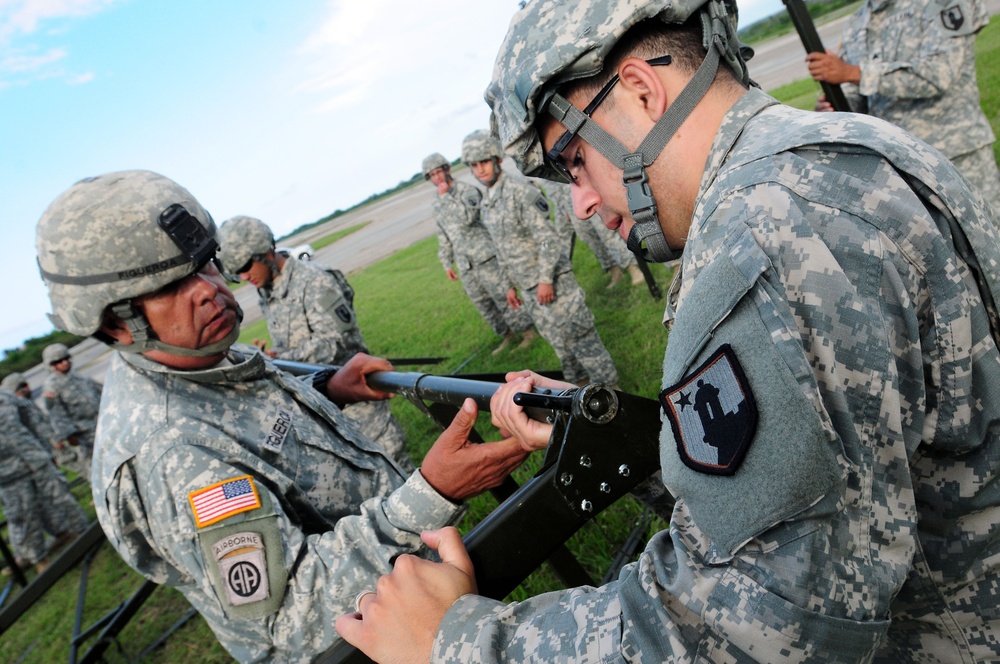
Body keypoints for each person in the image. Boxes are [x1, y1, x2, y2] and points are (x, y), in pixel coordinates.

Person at [336, 0, 1000, 661]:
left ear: (640, 90)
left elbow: (751, 631)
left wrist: (451, 642)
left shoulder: (765, 234)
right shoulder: (821, 158)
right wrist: (599, 432)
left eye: (574, 161)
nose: (582, 203)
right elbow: (834, 471)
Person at [34, 169, 528, 661]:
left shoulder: (197, 357)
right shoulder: (173, 451)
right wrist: (434, 491)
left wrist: (328, 387)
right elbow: (296, 612)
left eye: (204, 265)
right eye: (170, 286)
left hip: (403, 603)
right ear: (117, 323)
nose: (207, 289)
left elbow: (251, 416)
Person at [216, 215, 412, 470]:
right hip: (322, 404)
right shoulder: (268, 290)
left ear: (264, 251)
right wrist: (277, 356)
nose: (244, 276)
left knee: (395, 469)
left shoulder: (315, 281)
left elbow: (334, 342)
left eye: (245, 266)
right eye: (236, 272)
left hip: (359, 404)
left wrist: (280, 361)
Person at [806, 0, 1000, 213]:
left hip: (956, 155)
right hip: (900, 167)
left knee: (988, 227)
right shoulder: (857, 23)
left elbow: (938, 75)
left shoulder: (941, 3)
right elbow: (857, 95)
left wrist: (853, 73)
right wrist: (832, 106)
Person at [461, 129, 619, 387]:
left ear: (497, 160)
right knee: (561, 347)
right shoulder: (487, 202)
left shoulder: (519, 191)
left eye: (484, 162)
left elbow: (547, 238)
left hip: (554, 283)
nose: (479, 170)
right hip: (529, 288)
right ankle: (577, 393)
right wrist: (509, 285)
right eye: (474, 165)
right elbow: (502, 248)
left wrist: (545, 279)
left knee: (582, 340)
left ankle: (613, 391)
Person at [423, 153, 537, 355]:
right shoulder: (436, 201)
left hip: (485, 257)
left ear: (447, 169)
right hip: (465, 264)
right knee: (483, 304)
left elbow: (467, 217)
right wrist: (446, 262)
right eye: (432, 175)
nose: (437, 177)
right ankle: (507, 335)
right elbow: (443, 233)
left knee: (503, 297)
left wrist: (447, 197)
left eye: (439, 171)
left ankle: (528, 332)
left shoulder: (466, 191)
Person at [0, 374, 88, 574]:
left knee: (59, 497)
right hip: (8, 472)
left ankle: (81, 532)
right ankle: (37, 557)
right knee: (21, 514)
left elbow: (33, 420)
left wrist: (48, 449)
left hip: (36, 458)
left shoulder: (6, 397)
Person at [545, 180, 645, 289]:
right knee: (591, 239)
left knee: (606, 235)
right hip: (571, 207)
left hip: (587, 196)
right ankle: (615, 271)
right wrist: (563, 209)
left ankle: (633, 268)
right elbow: (551, 187)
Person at [41, 342, 102, 482]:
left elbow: (100, 392)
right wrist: (69, 435)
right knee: (94, 467)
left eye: (66, 358)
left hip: (100, 424)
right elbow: (56, 414)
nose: (64, 363)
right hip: (83, 433)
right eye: (58, 361)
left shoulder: (79, 377)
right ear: (51, 364)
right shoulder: (52, 386)